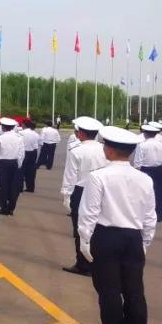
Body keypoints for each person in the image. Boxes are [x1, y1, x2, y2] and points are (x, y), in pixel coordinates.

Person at [78, 125, 155, 324]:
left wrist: (84, 240)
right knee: (134, 291)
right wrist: (144, 243)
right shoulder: (144, 179)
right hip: (133, 237)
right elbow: (150, 216)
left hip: (107, 236)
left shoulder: (99, 176)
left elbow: (89, 213)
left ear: (109, 150)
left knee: (109, 290)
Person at [61, 116, 106, 276]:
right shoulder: (105, 149)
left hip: (81, 191)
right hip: (102, 191)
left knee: (81, 228)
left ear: (80, 133)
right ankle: (97, 263)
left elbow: (70, 176)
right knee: (99, 227)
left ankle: (83, 264)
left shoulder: (76, 151)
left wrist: (66, 195)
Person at [0, 117, 24, 215]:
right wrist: (18, 164)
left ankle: (3, 207)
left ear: (3, 127)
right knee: (13, 186)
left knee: (3, 186)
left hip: (2, 163)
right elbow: (21, 153)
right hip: (14, 163)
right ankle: (11, 207)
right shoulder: (19, 138)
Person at [132, 122, 162, 218]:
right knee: (159, 191)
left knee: (145, 192)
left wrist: (136, 173)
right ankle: (159, 214)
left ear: (145, 133)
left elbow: (137, 162)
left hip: (146, 170)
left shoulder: (142, 145)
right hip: (159, 169)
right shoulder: (160, 144)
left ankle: (145, 215)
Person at [19, 119, 41, 192]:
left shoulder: (20, 133)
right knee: (31, 171)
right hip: (33, 153)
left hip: (23, 152)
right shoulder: (36, 134)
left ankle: (20, 187)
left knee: (21, 170)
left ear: (24, 125)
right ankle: (30, 188)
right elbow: (39, 143)